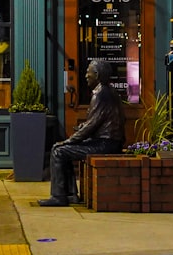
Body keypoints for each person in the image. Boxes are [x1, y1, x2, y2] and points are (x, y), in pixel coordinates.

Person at [38, 59, 125, 207]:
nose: (85, 75)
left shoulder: (101, 94)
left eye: (88, 72)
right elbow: (96, 121)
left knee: (58, 151)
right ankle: (71, 194)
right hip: (108, 142)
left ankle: (59, 196)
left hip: (106, 144)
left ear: (96, 75)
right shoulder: (107, 91)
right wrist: (80, 131)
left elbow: (91, 125)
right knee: (62, 150)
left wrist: (70, 140)